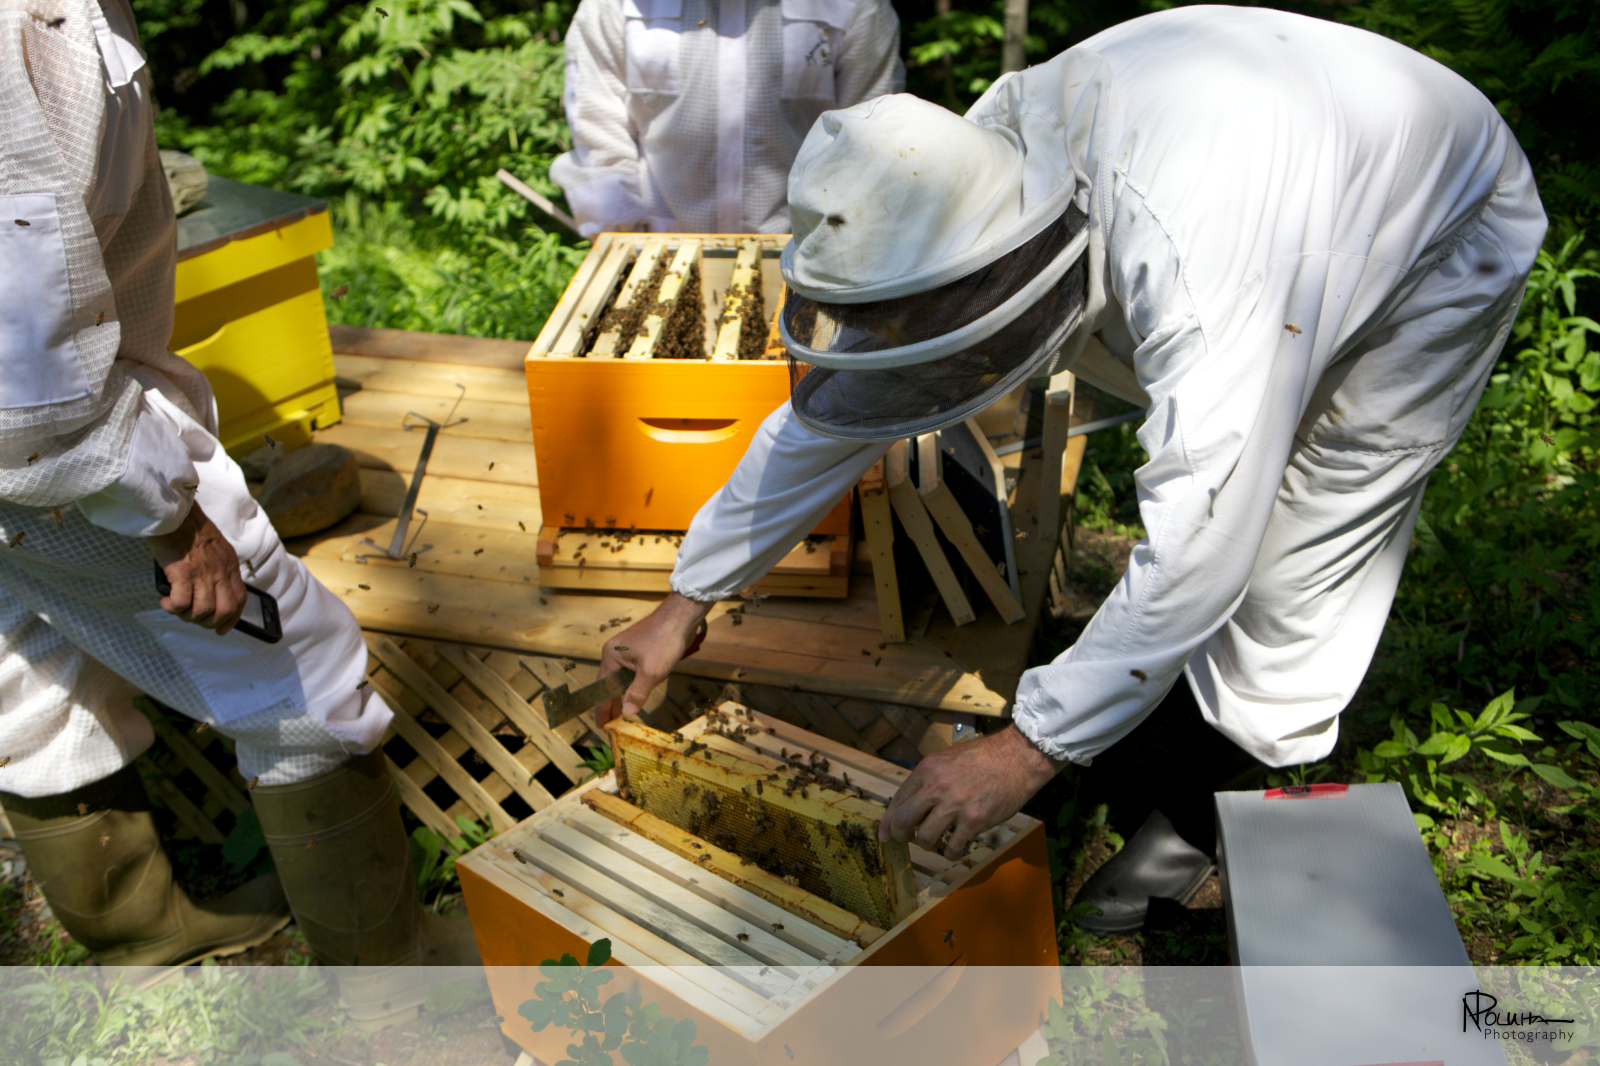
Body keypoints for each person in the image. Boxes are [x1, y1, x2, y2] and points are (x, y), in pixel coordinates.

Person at [591, 5, 1548, 930]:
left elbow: (1205, 533)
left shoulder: (1191, 264)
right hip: (1276, 167)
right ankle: (1146, 714)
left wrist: (1026, 749)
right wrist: (688, 595)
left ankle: (1195, 812)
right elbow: (835, 418)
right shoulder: (951, 179)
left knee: (1302, 540)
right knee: (1231, 465)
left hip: (1429, 223)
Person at [0, 0, 477, 1009]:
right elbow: (27, 374)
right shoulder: (17, 29)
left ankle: (143, 938)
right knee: (297, 671)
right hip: (56, 457)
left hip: (40, 448)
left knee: (29, 666)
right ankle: (395, 983)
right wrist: (171, 517)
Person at [550, 0, 904, 236]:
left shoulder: (856, 6)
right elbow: (599, 132)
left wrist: (843, 247)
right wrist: (627, 246)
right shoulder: (610, 6)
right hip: (659, 254)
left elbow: (868, 145)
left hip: (805, 257)